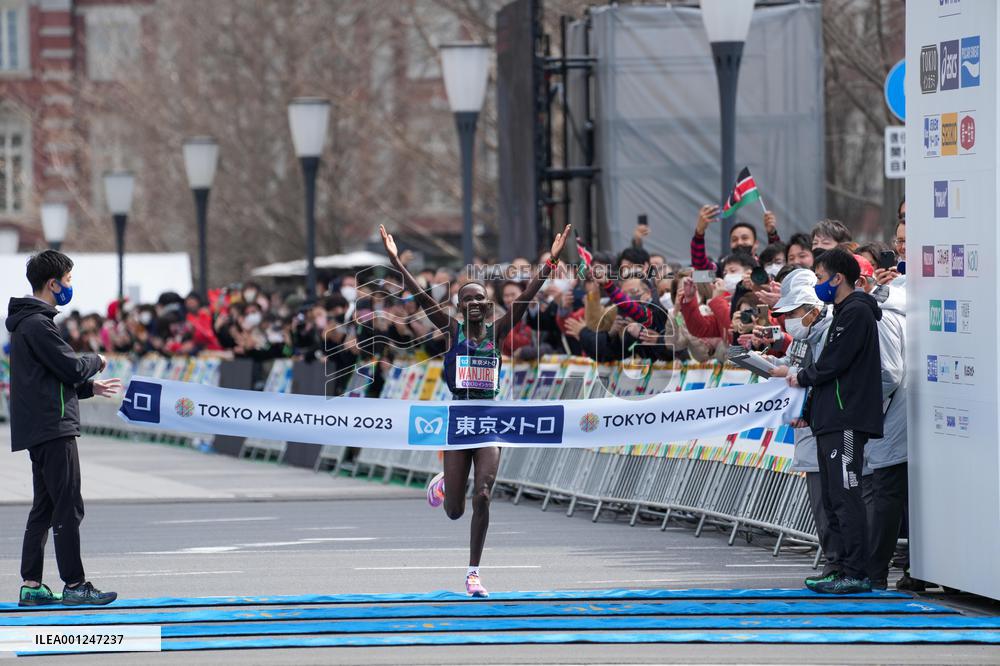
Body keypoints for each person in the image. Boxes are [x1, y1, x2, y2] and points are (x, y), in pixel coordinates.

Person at [380, 223, 571, 598]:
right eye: (466, 299)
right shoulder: (452, 330)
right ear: (459, 307)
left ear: (488, 304)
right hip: (458, 421)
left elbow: (529, 295)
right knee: (454, 510)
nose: (473, 303)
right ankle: (442, 484)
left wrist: (551, 261)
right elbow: (420, 297)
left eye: (479, 298)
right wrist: (394, 261)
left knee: (482, 494)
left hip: (489, 421)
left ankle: (473, 573)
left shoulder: (498, 330)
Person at [6, 251, 122, 606]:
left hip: (40, 427)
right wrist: (96, 362)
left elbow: (48, 378)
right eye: (68, 280)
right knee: (68, 505)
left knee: (44, 506)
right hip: (53, 428)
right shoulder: (39, 324)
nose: (70, 287)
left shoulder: (28, 323)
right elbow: (70, 368)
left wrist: (88, 389)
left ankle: (32, 585)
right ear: (53, 283)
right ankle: (75, 584)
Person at [773, 248, 883, 594]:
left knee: (847, 493)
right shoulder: (842, 313)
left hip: (847, 418)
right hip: (830, 417)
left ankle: (857, 571)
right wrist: (807, 411)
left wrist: (799, 375)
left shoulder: (856, 313)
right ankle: (839, 566)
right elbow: (831, 366)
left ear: (838, 278)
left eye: (821, 278)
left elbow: (834, 362)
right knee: (835, 494)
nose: (818, 285)